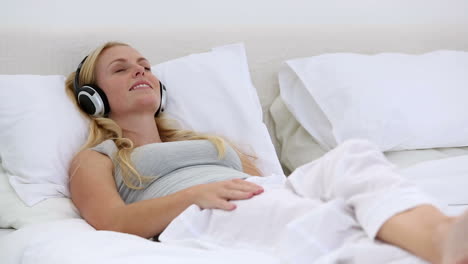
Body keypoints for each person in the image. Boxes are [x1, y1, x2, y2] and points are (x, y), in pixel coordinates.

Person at [66, 41, 467, 264]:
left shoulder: (208, 141)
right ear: (93, 98)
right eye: (120, 69)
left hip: (266, 189)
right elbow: (112, 222)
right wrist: (192, 195)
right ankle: (436, 244)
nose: (140, 71)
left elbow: (266, 180)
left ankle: (441, 235)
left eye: (145, 65)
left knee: (352, 157)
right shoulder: (97, 157)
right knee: (329, 223)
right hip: (207, 213)